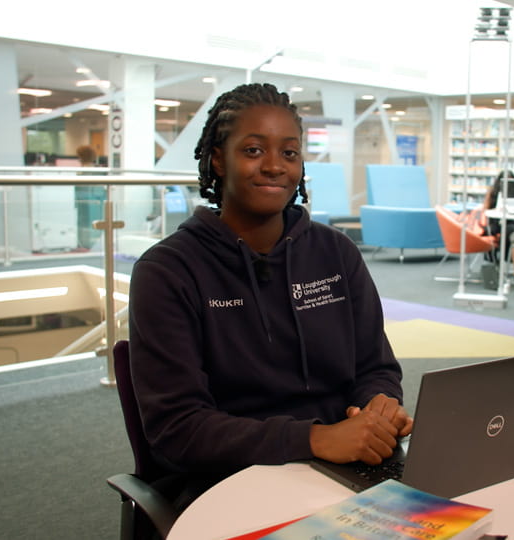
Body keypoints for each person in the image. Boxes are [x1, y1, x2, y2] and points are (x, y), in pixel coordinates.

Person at [128, 83, 412, 508]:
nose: (275, 166)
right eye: (254, 150)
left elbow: (376, 367)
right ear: (217, 160)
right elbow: (178, 429)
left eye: (289, 153)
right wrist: (315, 438)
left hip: (348, 464)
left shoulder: (336, 253)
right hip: (231, 479)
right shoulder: (167, 272)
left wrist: (378, 409)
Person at [482, 170, 514, 281]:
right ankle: (506, 259)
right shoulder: (492, 193)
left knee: (511, 230)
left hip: (510, 222)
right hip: (495, 223)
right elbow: (485, 210)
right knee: (510, 232)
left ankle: (503, 261)